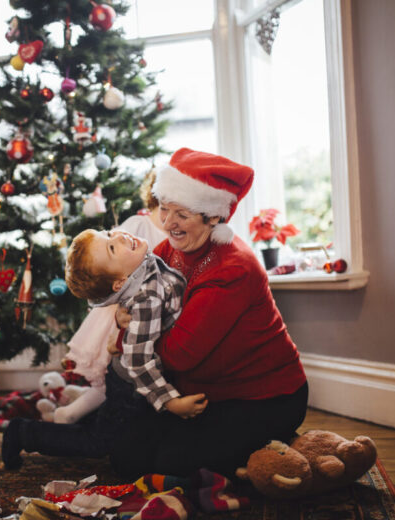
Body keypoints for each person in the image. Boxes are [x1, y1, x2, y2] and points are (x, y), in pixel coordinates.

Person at [107, 147, 308, 480]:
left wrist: (131, 333)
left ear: (213, 216)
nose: (167, 223)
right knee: (125, 458)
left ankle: (278, 447)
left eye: (181, 214)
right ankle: (247, 453)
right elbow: (134, 305)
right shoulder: (168, 249)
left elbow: (179, 354)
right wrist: (125, 320)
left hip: (263, 397)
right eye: (164, 209)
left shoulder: (233, 268)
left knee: (168, 465)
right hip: (199, 393)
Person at [54, 169, 167, 424]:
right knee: (111, 372)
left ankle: (84, 403)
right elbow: (105, 263)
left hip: (151, 313)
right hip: (120, 312)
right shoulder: (138, 226)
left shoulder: (180, 234)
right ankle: (75, 412)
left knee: (118, 378)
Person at [65, 228, 206, 418]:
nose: (119, 236)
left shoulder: (139, 265)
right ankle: (47, 423)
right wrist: (171, 402)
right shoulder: (146, 299)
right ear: (120, 282)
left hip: (132, 378)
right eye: (112, 248)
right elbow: (138, 361)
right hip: (131, 385)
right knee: (104, 443)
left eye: (107, 233)